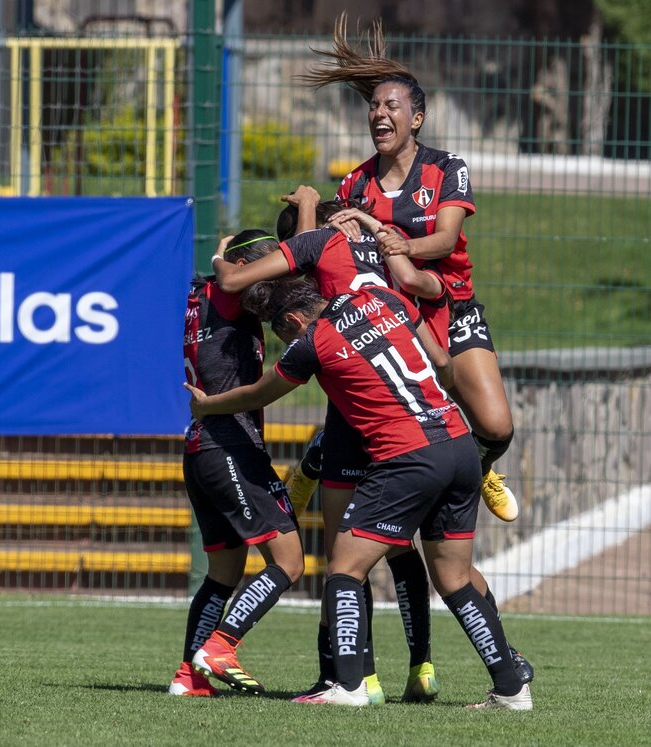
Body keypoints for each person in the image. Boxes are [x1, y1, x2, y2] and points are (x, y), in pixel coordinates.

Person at [187, 278, 533, 710]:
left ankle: (348, 685)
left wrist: (206, 406)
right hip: (458, 441)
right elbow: (440, 359)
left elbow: (260, 394)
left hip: (407, 456)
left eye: (286, 335)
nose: (290, 343)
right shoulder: (381, 297)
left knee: (345, 570)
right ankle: (510, 688)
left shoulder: (312, 341)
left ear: (294, 320)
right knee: (455, 579)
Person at [210, 200, 446, 703]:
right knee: (399, 549)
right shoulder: (379, 253)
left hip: (357, 411)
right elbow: (435, 330)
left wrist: (302, 214)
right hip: (415, 405)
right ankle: (417, 665)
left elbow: (247, 282)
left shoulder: (319, 263)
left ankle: (353, 677)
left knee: (345, 554)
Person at [302, 13, 521, 524]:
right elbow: (342, 255)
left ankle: (482, 465)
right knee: (374, 431)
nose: (379, 114)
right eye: (374, 106)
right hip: (392, 315)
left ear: (415, 119)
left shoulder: (446, 169)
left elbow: (445, 239)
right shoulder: (354, 185)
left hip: (452, 302)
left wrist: (390, 239)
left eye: (391, 106)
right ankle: (318, 456)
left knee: (497, 427)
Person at [168, 230, 306, 698]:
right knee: (289, 563)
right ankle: (220, 647)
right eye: (265, 265)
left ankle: (189, 678)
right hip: (229, 446)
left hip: (202, 449)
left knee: (223, 574)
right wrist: (226, 251)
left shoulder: (197, 298)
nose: (274, 274)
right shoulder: (227, 294)